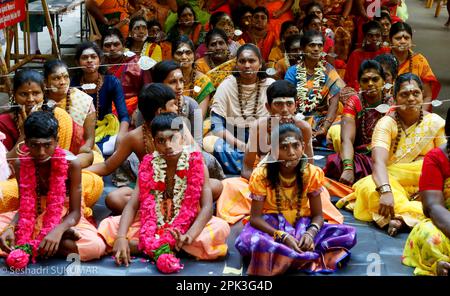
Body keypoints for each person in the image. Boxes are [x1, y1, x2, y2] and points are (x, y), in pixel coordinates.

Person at [98, 113, 230, 266]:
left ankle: (145, 247)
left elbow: (207, 207)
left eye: (173, 138)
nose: (168, 145)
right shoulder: (148, 165)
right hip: (152, 218)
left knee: (220, 228)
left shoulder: (197, 164)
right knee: (109, 227)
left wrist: (190, 235)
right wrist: (121, 237)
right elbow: (133, 205)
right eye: (161, 141)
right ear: (154, 143)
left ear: (183, 138)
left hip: (188, 221)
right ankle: (173, 247)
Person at [216, 80, 344, 225]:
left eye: (289, 104)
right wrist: (267, 183)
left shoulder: (303, 128)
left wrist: (290, 185)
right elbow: (246, 169)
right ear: (268, 107)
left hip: (297, 185)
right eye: (278, 104)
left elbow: (309, 168)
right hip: (264, 182)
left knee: (322, 194)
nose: (284, 109)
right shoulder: (259, 127)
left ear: (295, 105)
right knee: (229, 185)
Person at [235, 123, 356, 275]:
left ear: (303, 147)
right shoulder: (261, 175)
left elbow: (318, 215)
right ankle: (298, 255)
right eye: (284, 147)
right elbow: (255, 219)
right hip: (271, 225)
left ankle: (286, 256)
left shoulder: (311, 173)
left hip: (302, 223)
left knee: (348, 234)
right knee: (254, 242)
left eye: (295, 146)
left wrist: (310, 233)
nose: (291, 152)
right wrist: (282, 236)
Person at [337, 73, 446, 236]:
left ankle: (400, 218)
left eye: (415, 93)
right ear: (395, 99)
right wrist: (386, 191)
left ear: (422, 95)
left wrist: (428, 188)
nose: (411, 98)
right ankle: (411, 217)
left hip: (428, 185)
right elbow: (378, 162)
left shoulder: (435, 123)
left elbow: (444, 162)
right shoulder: (386, 123)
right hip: (392, 183)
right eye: (404, 94)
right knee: (367, 188)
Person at [0, 111, 106, 264]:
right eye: (35, 145)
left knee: (95, 247)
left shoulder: (71, 163)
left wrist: (58, 230)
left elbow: (76, 212)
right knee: (4, 232)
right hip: (32, 214)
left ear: (56, 141)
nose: (41, 152)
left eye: (47, 145)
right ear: (26, 143)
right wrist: (10, 227)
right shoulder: (20, 164)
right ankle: (48, 243)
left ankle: (33, 244)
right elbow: (24, 205)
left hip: (65, 214)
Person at [0, 69, 103, 217]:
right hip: (21, 182)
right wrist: (24, 134)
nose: (30, 99)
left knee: (94, 182)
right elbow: (7, 166)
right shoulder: (4, 121)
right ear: (14, 95)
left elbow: (60, 161)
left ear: (44, 94)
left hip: (59, 182)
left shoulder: (59, 116)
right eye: (23, 94)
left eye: (35, 93)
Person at [203, 44, 275, 175]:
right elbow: (217, 126)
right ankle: (261, 167)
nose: (247, 65)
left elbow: (279, 119)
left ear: (260, 63)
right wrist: (243, 146)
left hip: (263, 141)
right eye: (242, 61)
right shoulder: (227, 85)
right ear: (236, 65)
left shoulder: (270, 85)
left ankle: (251, 165)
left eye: (252, 61)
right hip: (234, 141)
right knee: (208, 142)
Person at [325, 60, 392, 188]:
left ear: (383, 81)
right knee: (335, 163)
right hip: (360, 154)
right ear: (359, 84)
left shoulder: (391, 102)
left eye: (375, 79)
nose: (370, 84)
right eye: (365, 80)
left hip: (386, 153)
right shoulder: (354, 102)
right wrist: (348, 168)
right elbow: (347, 139)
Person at [402, 107, 450, 276]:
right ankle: (438, 264)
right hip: (445, 221)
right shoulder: (436, 158)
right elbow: (433, 206)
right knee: (430, 237)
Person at [285, 30, 345, 147]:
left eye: (320, 45)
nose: (316, 49)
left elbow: (334, 103)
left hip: (323, 118)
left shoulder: (329, 70)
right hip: (298, 118)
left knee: (340, 128)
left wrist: (325, 127)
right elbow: (288, 102)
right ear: (302, 48)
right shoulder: (292, 71)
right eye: (312, 45)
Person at [71, 41, 130, 155]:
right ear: (77, 62)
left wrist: (121, 137)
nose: (89, 60)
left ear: (100, 60)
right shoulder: (74, 84)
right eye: (84, 57)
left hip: (107, 130)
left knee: (116, 145)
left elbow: (124, 116)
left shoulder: (112, 82)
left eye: (93, 57)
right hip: (82, 131)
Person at [43, 59, 101, 168]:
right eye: (56, 78)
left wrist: (81, 153)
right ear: (45, 82)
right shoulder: (39, 101)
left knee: (89, 176)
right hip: (43, 153)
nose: (63, 82)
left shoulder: (84, 100)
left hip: (77, 154)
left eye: (66, 77)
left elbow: (90, 139)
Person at [101, 28, 152, 119]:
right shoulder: (98, 67)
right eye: (107, 45)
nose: (112, 49)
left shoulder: (137, 63)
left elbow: (148, 91)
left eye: (116, 44)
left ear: (123, 46)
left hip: (133, 112)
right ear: (102, 48)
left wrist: (138, 110)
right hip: (104, 113)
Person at [389, 22, 441, 109]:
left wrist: (419, 117)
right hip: (387, 113)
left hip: (414, 111)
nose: (403, 41)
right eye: (398, 38)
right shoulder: (382, 60)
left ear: (411, 40)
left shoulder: (420, 61)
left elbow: (427, 96)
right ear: (390, 40)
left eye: (406, 38)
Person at [171, 37, 215, 118]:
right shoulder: (167, 79)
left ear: (194, 56)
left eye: (188, 53)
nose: (184, 57)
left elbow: (199, 118)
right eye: (179, 53)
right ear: (172, 56)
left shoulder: (203, 81)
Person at [344, 21, 390, 91]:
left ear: (381, 37)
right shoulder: (356, 54)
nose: (374, 39)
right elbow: (352, 80)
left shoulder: (386, 52)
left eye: (377, 35)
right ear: (365, 37)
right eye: (370, 36)